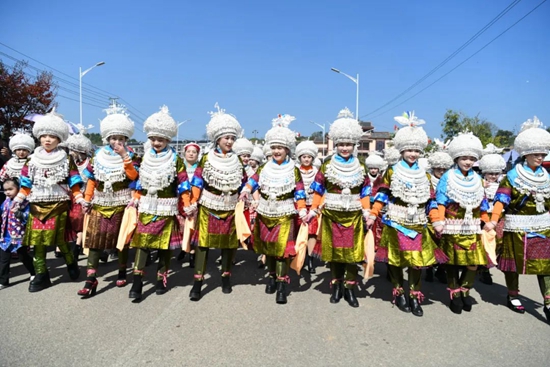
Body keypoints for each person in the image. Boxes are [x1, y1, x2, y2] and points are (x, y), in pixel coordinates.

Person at [368, 111, 442, 317]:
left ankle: (415, 295)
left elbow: (431, 201)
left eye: (416, 151)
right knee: (397, 261)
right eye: (409, 150)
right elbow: (382, 195)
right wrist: (373, 214)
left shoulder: (425, 175)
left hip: (418, 222)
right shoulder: (391, 171)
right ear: (401, 150)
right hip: (396, 221)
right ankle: (399, 292)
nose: (412, 154)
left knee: (417, 262)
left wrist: (436, 220)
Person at [182, 104, 247, 301]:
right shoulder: (206, 159)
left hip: (230, 206)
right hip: (208, 206)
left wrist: (246, 192)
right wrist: (192, 203)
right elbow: (197, 182)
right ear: (217, 139)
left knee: (228, 245)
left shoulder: (237, 160)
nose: (230, 141)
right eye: (226, 138)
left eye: (232, 138)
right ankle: (198, 282)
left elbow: (244, 182)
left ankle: (226, 277)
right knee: (203, 244)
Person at [306, 108, 369, 307]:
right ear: (336, 144)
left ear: (354, 145)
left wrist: (367, 211)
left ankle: (350, 289)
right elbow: (317, 189)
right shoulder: (326, 166)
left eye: (348, 144)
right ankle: (336, 286)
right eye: (341, 144)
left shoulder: (360, 166)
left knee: (352, 255)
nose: (344, 148)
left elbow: (366, 191)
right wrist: (313, 209)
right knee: (333, 254)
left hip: (354, 216)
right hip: (332, 215)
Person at [15, 109, 83, 292]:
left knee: (59, 240)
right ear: (38, 136)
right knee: (38, 242)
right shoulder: (31, 160)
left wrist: (79, 197)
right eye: (44, 135)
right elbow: (26, 184)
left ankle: (71, 263)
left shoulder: (66, 159)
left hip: (59, 204)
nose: (47, 139)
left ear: (59, 138)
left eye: (52, 136)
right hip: (36, 204)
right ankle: (41, 274)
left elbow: (74, 182)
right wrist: (19, 198)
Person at [241, 114, 305, 304]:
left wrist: (302, 209)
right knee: (268, 249)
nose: (277, 151)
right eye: (274, 148)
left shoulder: (293, 169)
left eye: (280, 148)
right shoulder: (264, 168)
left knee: (282, 250)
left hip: (284, 213)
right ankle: (270, 276)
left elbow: (300, 192)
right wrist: (246, 189)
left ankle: (281, 284)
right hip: (264, 211)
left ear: (287, 150)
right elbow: (253, 181)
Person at [491, 117, 550, 322]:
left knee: (546, 265)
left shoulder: (547, 177)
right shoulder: (512, 176)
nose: (540, 157)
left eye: (543, 154)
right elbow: (501, 200)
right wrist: (493, 220)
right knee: (513, 264)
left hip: (543, 227)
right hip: (517, 227)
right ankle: (513, 295)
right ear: (526, 153)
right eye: (537, 154)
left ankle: (549, 301)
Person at [77, 103, 139, 297]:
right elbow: (91, 180)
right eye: (113, 138)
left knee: (121, 241)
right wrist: (86, 200)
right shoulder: (97, 156)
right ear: (107, 138)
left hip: (122, 203)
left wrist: (124, 156)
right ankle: (91, 278)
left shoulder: (132, 156)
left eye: (121, 138)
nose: (117, 141)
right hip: (99, 203)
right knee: (94, 240)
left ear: (126, 139)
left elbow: (134, 178)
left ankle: (122, 269)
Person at [128, 106, 186, 300]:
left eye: (160, 139)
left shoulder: (176, 160)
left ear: (168, 140)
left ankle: (162, 277)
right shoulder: (145, 158)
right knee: (142, 244)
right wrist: (135, 199)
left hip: (166, 208)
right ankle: (137, 282)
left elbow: (184, 184)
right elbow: (138, 182)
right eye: (153, 139)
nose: (156, 142)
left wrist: (187, 205)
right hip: (147, 206)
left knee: (163, 246)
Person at [433, 132, 489, 314]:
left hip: (472, 226)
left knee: (473, 262)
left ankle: (465, 289)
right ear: (457, 158)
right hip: (451, 224)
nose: (468, 162)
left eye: (471, 159)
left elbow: (483, 203)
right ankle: (454, 293)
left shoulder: (478, 179)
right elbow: (440, 200)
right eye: (464, 158)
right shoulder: (447, 177)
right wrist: (439, 221)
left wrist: (487, 222)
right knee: (451, 262)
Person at [476, 143, 506, 285]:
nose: (493, 176)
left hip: (499, 217)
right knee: (484, 243)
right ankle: (484, 270)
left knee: (499, 241)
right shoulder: (479, 183)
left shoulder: (503, 185)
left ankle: (492, 263)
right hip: (483, 217)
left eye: (496, 173)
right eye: (490, 173)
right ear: (485, 173)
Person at [64, 125, 94, 262]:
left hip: (86, 195)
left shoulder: (89, 163)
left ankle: (77, 246)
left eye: (72, 150)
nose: (70, 152)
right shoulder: (71, 163)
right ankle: (73, 244)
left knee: (81, 221)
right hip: (73, 195)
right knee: (72, 220)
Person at [425, 148, 454, 283]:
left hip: (446, 215)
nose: (441, 172)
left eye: (444, 169)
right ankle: (429, 268)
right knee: (430, 243)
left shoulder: (451, 179)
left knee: (444, 243)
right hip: (429, 215)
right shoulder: (427, 179)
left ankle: (442, 269)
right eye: (438, 169)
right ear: (433, 168)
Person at [0, 178, 35, 289]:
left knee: (23, 256)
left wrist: (19, 213)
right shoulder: (5, 202)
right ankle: (3, 281)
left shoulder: (23, 202)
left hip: (18, 235)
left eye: (10, 189)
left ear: (18, 189)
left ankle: (34, 272)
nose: (7, 192)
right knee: (3, 259)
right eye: (5, 190)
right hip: (5, 236)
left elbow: (29, 216)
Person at [295, 140, 320, 273]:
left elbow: (321, 189)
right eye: (304, 157)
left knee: (312, 232)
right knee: (298, 231)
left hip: (313, 206)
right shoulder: (294, 171)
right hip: (297, 205)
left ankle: (310, 258)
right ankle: (298, 255)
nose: (306, 159)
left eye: (309, 157)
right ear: (300, 158)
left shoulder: (317, 172)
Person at [176, 142, 201, 267]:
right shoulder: (179, 167)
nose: (191, 154)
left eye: (194, 152)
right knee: (181, 228)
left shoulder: (200, 169)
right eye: (189, 151)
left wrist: (194, 201)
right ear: (184, 153)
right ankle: (183, 248)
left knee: (192, 228)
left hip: (195, 203)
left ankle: (192, 253)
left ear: (197, 155)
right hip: (180, 201)